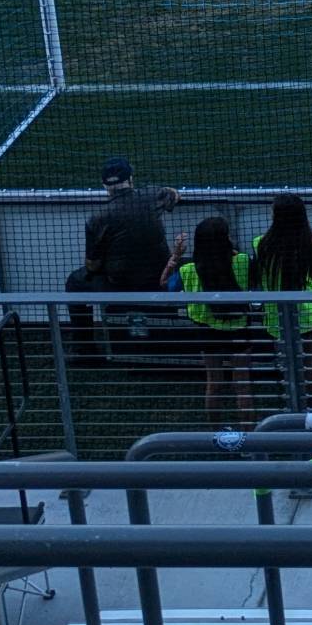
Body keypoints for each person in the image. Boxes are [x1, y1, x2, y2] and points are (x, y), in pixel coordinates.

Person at [65, 157, 178, 335]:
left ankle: (84, 348)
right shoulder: (152, 196)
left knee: (75, 282)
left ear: (104, 185)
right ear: (131, 179)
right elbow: (173, 194)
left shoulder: (97, 218)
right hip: (159, 276)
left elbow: (92, 265)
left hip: (120, 283)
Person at [164, 214, 253, 425]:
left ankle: (217, 433)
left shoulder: (188, 270)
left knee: (214, 382)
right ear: (226, 240)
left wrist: (175, 256)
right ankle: (250, 442)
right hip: (239, 330)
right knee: (242, 384)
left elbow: (165, 283)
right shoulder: (243, 261)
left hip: (206, 332)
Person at [249, 193, 312, 409]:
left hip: (277, 317)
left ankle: (295, 407)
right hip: (308, 314)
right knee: (309, 363)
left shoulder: (260, 244)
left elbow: (255, 276)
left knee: (288, 365)